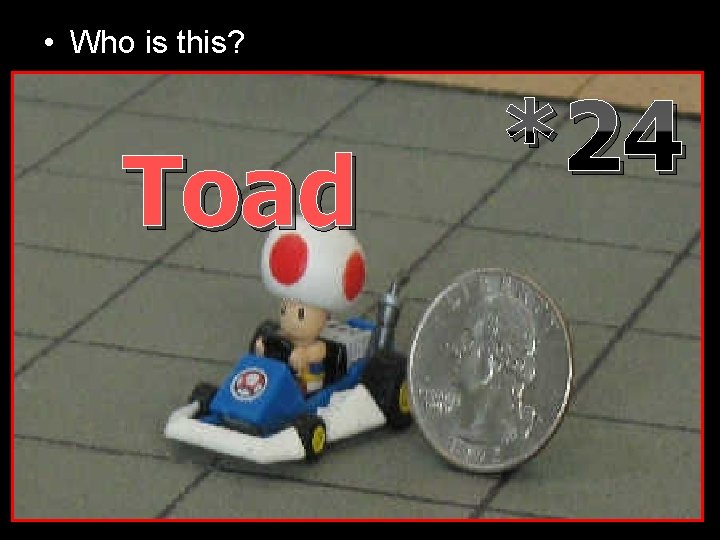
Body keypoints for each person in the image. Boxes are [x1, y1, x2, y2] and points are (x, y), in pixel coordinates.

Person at [254, 217, 366, 393]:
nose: (290, 320)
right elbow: (273, 338)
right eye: (284, 311)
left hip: (308, 386)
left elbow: (315, 353)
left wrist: (304, 356)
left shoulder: (318, 347)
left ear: (323, 318)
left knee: (296, 388)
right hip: (280, 380)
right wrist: (263, 345)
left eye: (300, 315)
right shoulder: (284, 336)